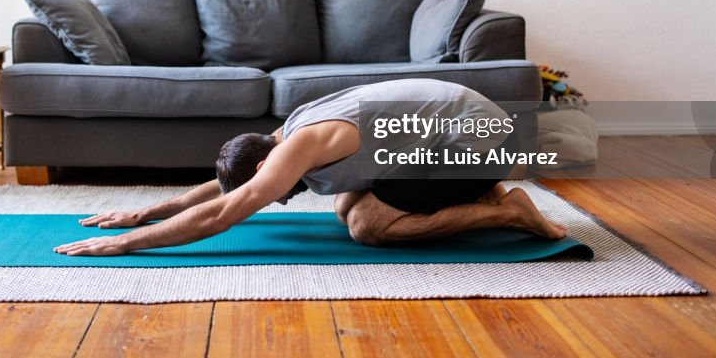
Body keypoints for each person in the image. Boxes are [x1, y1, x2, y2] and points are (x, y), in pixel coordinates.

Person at [55, 79, 566, 256]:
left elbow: (223, 213)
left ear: (265, 163)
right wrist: (148, 211)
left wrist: (128, 244)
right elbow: (224, 189)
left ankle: (511, 212)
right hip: (449, 134)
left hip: (481, 142)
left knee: (368, 226)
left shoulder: (300, 146)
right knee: (345, 205)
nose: (277, 198)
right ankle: (479, 196)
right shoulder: (284, 138)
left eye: (269, 187)